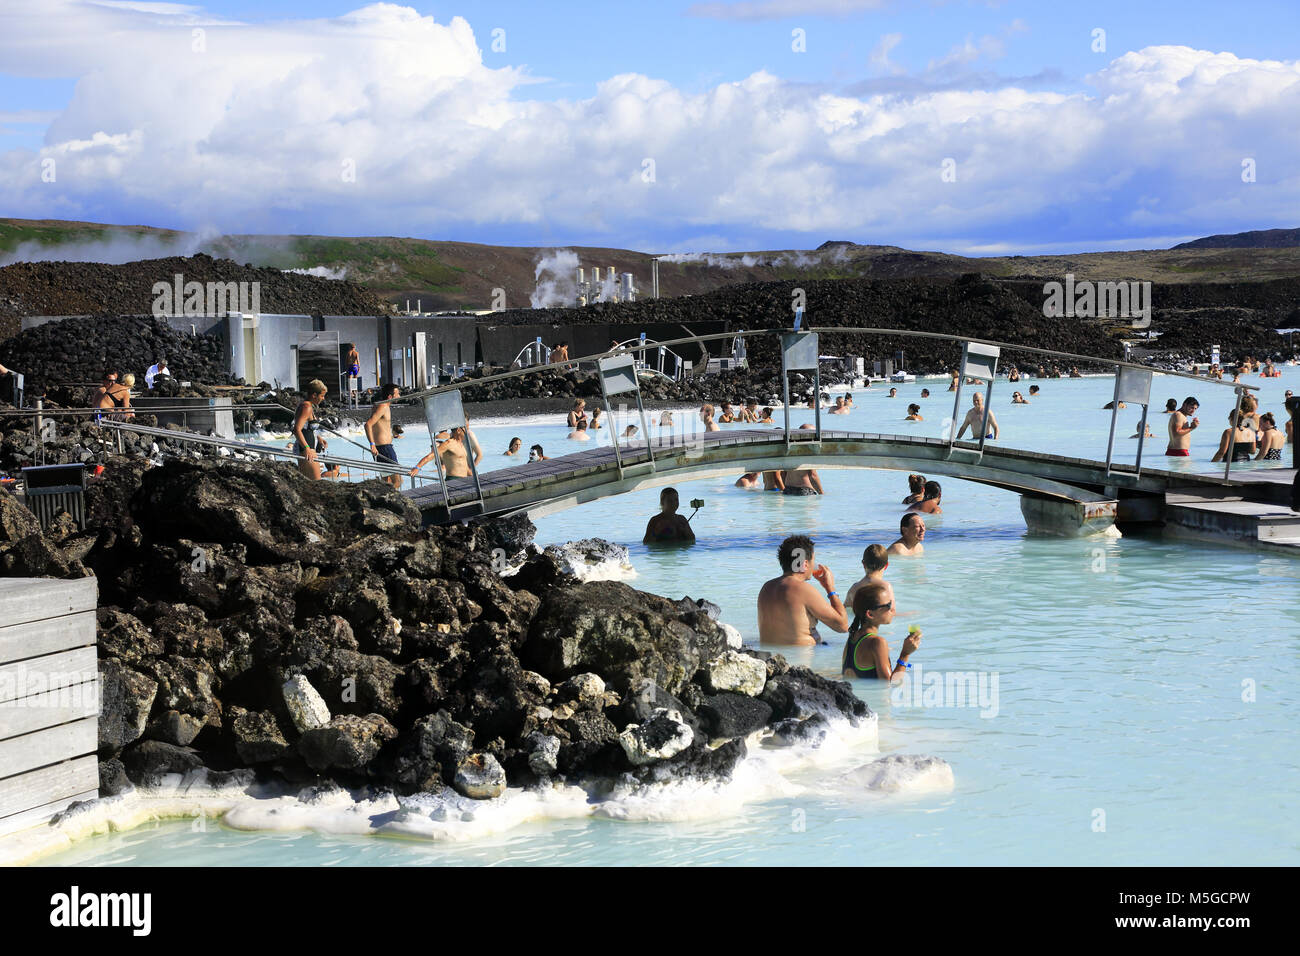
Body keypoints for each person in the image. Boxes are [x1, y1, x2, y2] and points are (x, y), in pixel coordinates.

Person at [756, 534, 848, 646]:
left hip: (770, 658)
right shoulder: (804, 590)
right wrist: (830, 588)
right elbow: (843, 626)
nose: (814, 565)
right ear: (804, 563)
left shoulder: (766, 587)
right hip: (800, 658)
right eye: (813, 560)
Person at [842, 583, 921, 681]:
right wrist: (905, 654)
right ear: (870, 614)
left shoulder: (852, 637)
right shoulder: (877, 643)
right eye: (888, 605)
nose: (892, 609)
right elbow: (890, 684)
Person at [364, 382, 402, 488]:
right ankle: (391, 501)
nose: (399, 396)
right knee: (398, 481)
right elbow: (368, 424)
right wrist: (372, 444)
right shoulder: (383, 406)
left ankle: (385, 501)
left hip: (382, 448)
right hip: (384, 448)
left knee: (386, 482)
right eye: (397, 394)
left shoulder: (381, 405)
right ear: (390, 396)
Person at [293, 379, 328, 480]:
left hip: (307, 448)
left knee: (309, 485)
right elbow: (297, 430)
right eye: (321, 395)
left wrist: (318, 438)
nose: (323, 398)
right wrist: (307, 448)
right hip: (306, 449)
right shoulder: (306, 407)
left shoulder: (307, 406)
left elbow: (306, 428)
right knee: (317, 484)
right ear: (314, 395)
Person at [411, 425, 477, 478]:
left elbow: (462, 464)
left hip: (464, 480)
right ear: (458, 430)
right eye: (465, 429)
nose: (466, 431)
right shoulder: (448, 443)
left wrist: (472, 474)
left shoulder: (462, 444)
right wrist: (417, 467)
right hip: (453, 480)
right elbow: (431, 455)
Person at [845, 543, 892, 609]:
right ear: (886, 565)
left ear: (863, 564)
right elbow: (891, 612)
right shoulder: (885, 587)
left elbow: (844, 610)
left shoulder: (854, 588)